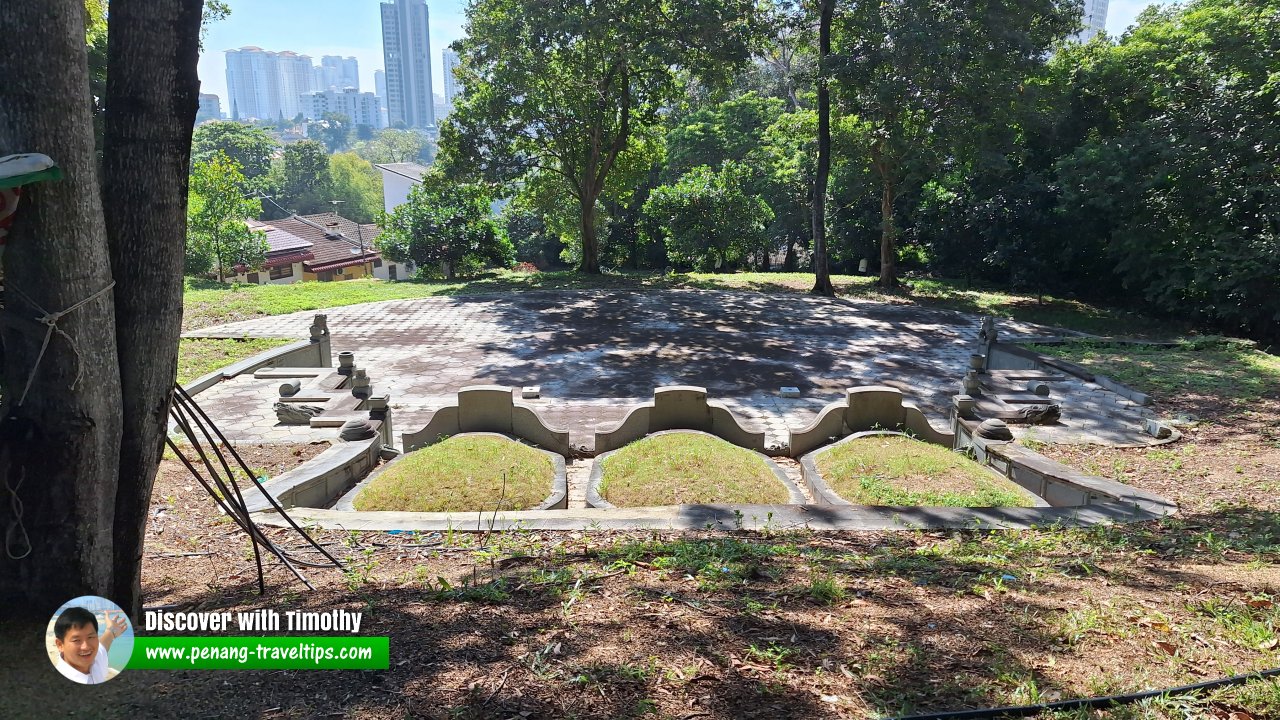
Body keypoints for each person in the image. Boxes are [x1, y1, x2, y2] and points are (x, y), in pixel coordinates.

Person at [53, 606, 125, 684]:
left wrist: (111, 631)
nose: (86, 647)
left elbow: (103, 644)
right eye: (76, 640)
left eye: (90, 637)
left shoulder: (95, 660)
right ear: (60, 645)